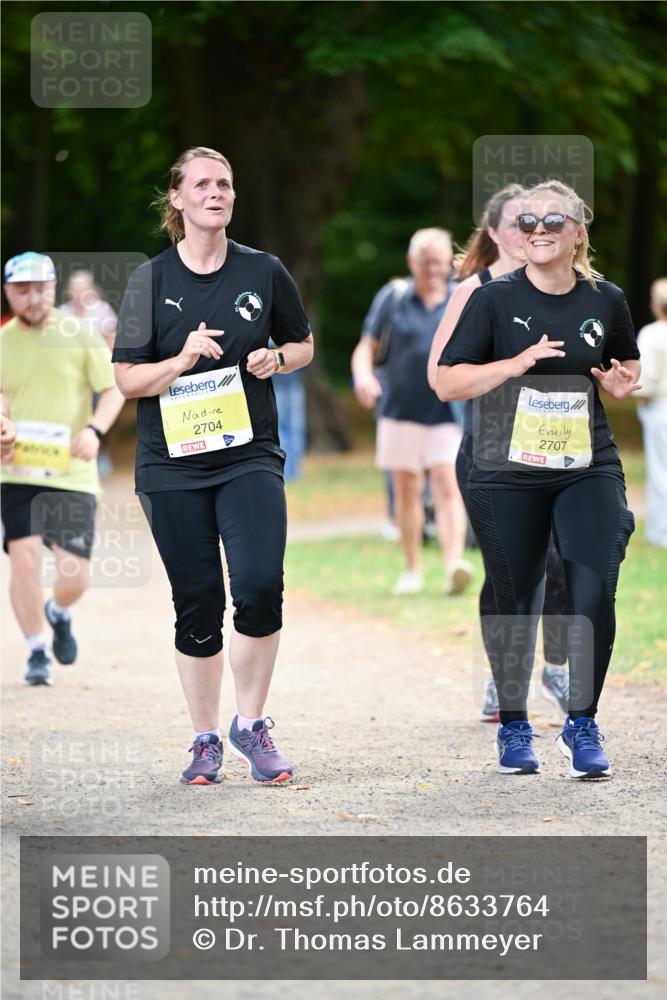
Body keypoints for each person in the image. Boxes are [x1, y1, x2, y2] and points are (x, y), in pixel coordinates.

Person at [112, 146, 314, 786]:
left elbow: (303, 344)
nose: (215, 192)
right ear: (177, 199)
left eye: (224, 183)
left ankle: (251, 725)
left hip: (247, 455)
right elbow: (126, 379)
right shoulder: (151, 280)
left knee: (258, 584)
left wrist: (275, 360)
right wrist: (181, 360)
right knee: (197, 599)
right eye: (201, 184)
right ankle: (204, 739)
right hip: (171, 464)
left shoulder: (264, 271)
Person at [436, 180, 641, 779]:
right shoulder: (493, 300)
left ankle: (582, 722)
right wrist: (514, 364)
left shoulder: (607, 300)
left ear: (580, 232)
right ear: (517, 236)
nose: (540, 229)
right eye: (528, 222)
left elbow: (623, 366)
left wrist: (623, 384)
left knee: (593, 585)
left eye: (555, 220)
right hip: (506, 471)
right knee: (515, 594)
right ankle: (516, 725)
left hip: (586, 463)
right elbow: (448, 382)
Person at [428, 185, 571, 723]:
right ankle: (501, 679)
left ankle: (555, 666)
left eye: (538, 220)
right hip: (490, 454)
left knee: (562, 563)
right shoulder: (474, 292)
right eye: (516, 222)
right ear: (492, 233)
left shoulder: (563, 287)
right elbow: (437, 376)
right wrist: (506, 367)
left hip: (557, 450)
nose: (529, 231)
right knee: (509, 571)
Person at [1, 252, 125, 686]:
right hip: (16, 473)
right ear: (8, 292)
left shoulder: (79, 334)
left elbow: (114, 389)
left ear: (53, 289)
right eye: (23, 290)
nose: (33, 298)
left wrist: (94, 430)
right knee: (24, 560)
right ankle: (36, 650)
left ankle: (58, 611)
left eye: (41, 289)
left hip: (73, 472)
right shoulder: (2, 341)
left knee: (75, 575)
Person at [352, 228, 471, 596]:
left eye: (438, 262)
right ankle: (412, 568)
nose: (432, 270)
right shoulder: (394, 297)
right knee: (407, 490)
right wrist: (363, 378)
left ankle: (453, 565)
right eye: (425, 263)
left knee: (448, 484)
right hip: (399, 410)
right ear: (411, 262)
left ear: (450, 263)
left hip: (447, 412)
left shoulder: (461, 299)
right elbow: (366, 347)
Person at [61, 269, 119, 479]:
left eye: (82, 288)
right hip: (71, 377)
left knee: (97, 412)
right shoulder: (62, 312)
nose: (78, 292)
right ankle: (71, 457)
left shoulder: (101, 310)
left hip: (97, 374)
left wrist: (113, 367)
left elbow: (111, 338)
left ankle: (101, 455)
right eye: (75, 288)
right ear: (69, 291)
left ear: (90, 289)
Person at [635, 278, 667, 547]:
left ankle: (661, 532)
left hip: (660, 408)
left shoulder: (652, 334)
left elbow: (647, 379)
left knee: (660, 470)